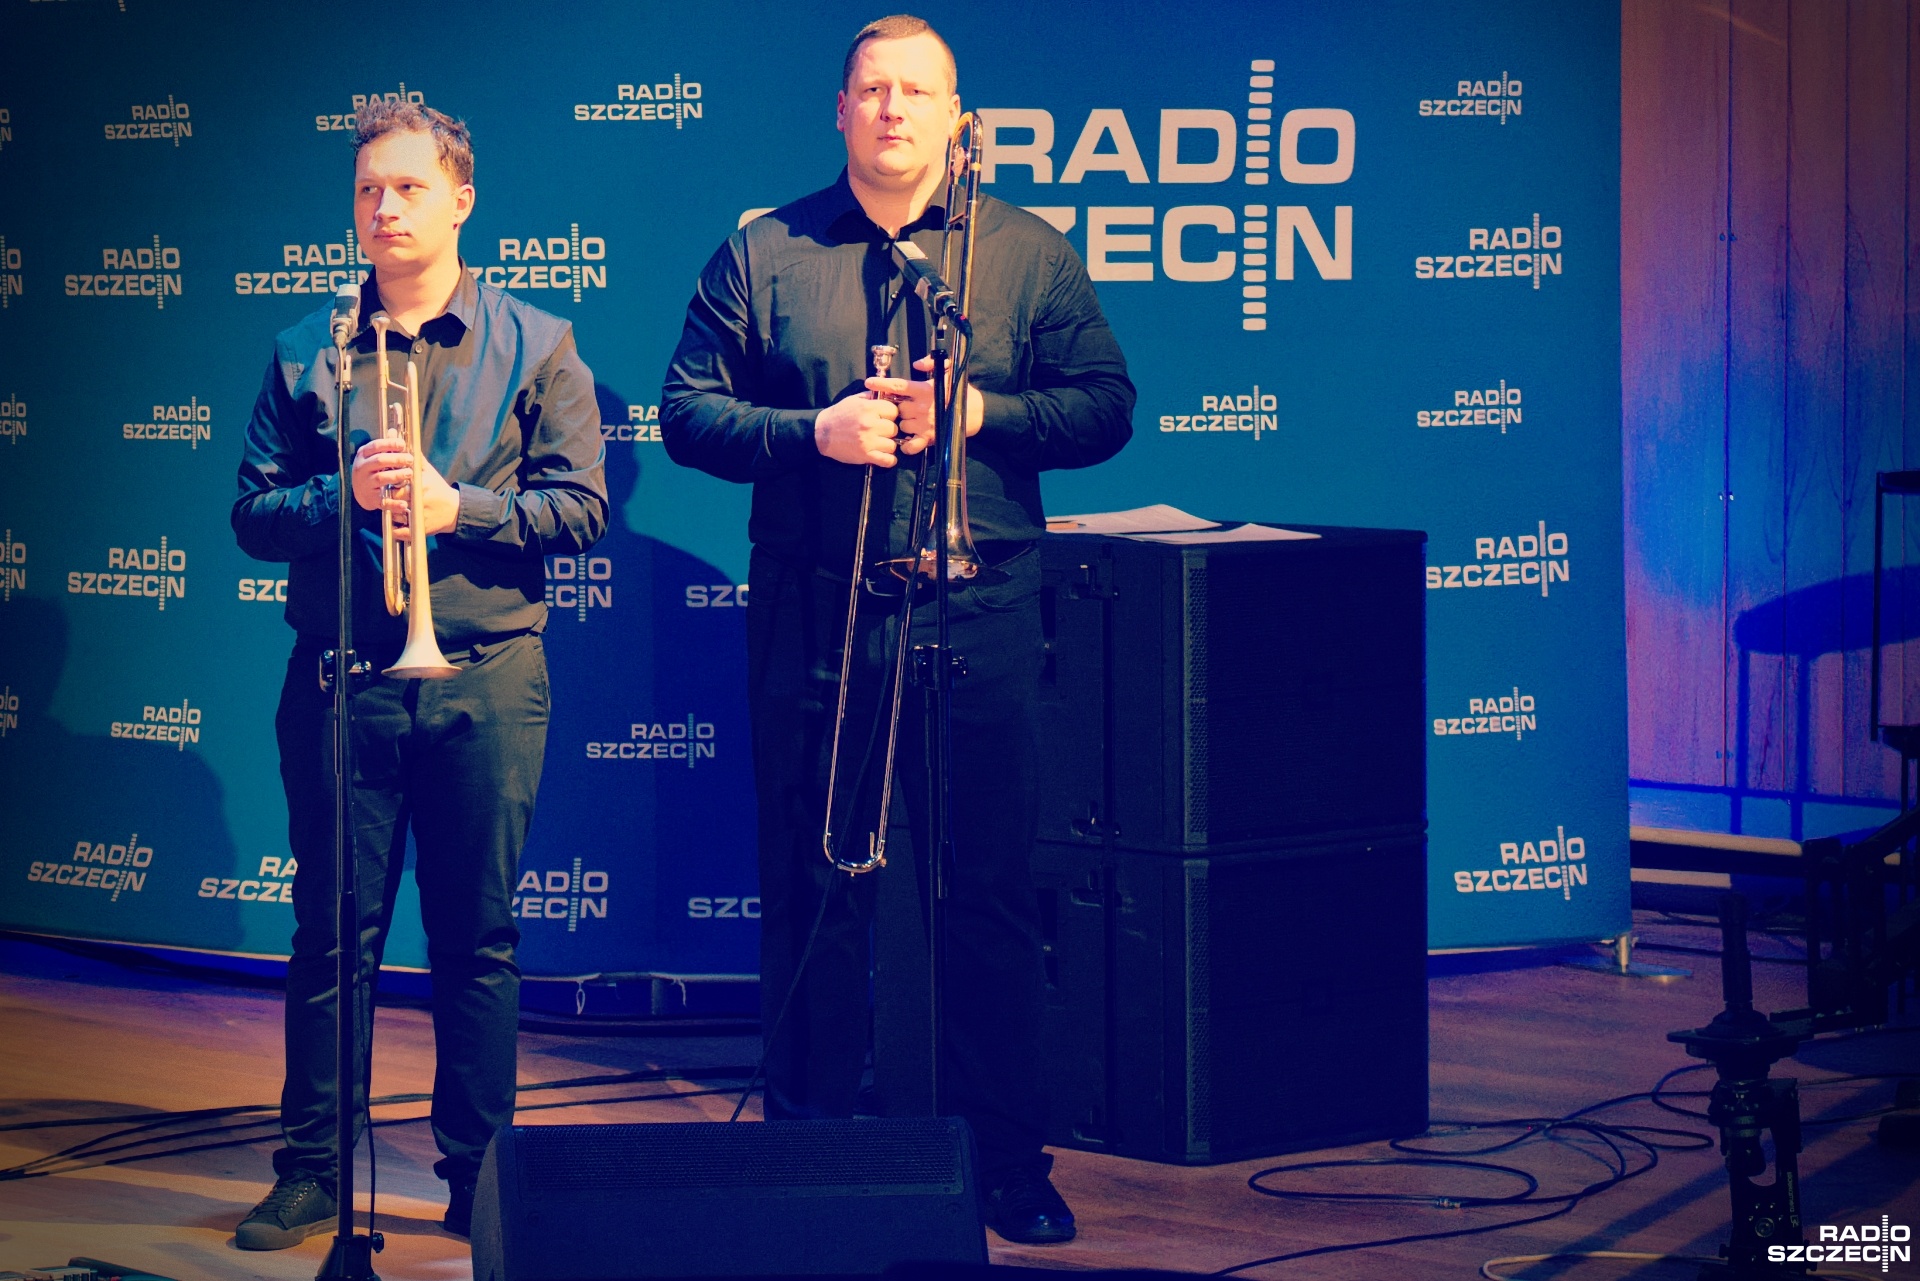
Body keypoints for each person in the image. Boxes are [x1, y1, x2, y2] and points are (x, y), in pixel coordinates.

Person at [660, 14, 1133, 1245]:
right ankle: (811, 1154)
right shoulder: (765, 250)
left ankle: (1005, 1164)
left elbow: (1105, 407)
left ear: (956, 118)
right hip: (817, 613)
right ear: (841, 109)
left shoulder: (1024, 251)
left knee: (987, 898)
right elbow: (685, 414)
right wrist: (809, 434)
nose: (893, 110)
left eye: (918, 92)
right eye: (873, 89)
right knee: (815, 891)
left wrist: (978, 413)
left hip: (979, 612)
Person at [230, 99, 608, 1249]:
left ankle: (478, 1179)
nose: (384, 208)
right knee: (329, 938)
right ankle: (311, 1169)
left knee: (477, 943)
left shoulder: (537, 343)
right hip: (342, 683)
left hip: (486, 679)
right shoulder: (306, 349)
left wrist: (462, 508)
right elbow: (251, 516)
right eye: (367, 191)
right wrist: (336, 495)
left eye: (407, 187)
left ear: (460, 200)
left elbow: (581, 509)